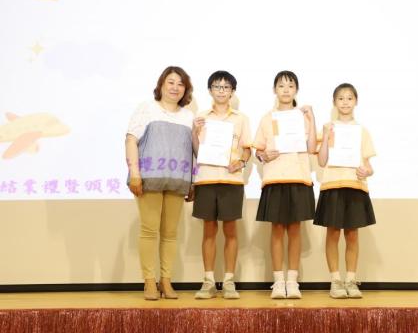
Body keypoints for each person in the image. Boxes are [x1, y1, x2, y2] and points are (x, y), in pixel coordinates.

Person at [125, 66, 194, 300]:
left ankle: (166, 280)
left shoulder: (189, 116)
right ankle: (149, 281)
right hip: (149, 178)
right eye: (171, 82)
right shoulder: (147, 108)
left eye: (180, 84)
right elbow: (131, 140)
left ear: (185, 89)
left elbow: (193, 151)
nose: (175, 87)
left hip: (178, 180)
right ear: (161, 84)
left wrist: (193, 181)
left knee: (170, 233)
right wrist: (134, 172)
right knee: (149, 230)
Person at [254, 70, 317, 299]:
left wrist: (312, 118)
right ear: (275, 90)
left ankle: (293, 281)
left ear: (296, 90)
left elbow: (312, 148)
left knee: (295, 230)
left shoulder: (303, 116)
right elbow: (258, 150)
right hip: (275, 178)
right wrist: (263, 155)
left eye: (290, 86)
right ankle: (278, 281)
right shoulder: (267, 118)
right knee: (277, 230)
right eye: (281, 86)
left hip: (299, 177)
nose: (286, 90)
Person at [192, 71, 251, 300]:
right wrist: (195, 132)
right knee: (208, 231)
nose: (221, 91)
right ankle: (208, 281)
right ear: (210, 90)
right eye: (217, 86)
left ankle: (228, 281)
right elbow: (196, 150)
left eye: (226, 87)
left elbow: (247, 149)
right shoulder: (201, 117)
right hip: (206, 178)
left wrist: (242, 162)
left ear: (232, 92)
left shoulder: (241, 118)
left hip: (231, 180)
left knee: (230, 231)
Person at [314, 83, 376, 299]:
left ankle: (350, 280)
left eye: (349, 98)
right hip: (332, 185)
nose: (345, 102)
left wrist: (366, 171)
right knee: (332, 234)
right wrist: (324, 136)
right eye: (341, 98)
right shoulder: (328, 128)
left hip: (355, 186)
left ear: (356, 101)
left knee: (352, 235)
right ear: (334, 102)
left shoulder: (362, 131)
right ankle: (336, 281)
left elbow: (369, 167)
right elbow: (321, 161)